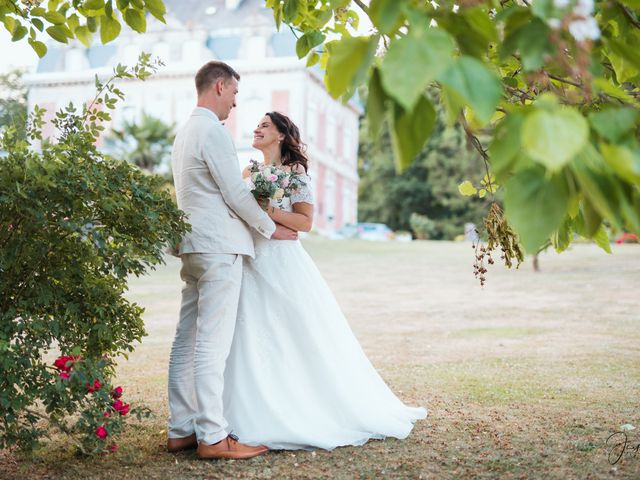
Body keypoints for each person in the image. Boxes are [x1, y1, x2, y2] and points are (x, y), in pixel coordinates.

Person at [223, 111, 427, 450]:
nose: (256, 129)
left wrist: (268, 213)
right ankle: (240, 413)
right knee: (246, 334)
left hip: (281, 263)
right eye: (257, 125)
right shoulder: (247, 172)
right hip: (249, 260)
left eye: (264, 126)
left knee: (292, 335)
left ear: (282, 136)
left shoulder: (295, 174)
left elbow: (304, 223)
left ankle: (298, 408)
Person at [167, 61, 297, 460]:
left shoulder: (184, 132)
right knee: (211, 343)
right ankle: (212, 437)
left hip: (193, 247)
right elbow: (235, 195)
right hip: (220, 247)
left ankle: (180, 429)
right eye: (236, 94)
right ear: (220, 86)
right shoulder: (212, 132)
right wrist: (269, 227)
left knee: (186, 339)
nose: (236, 104)